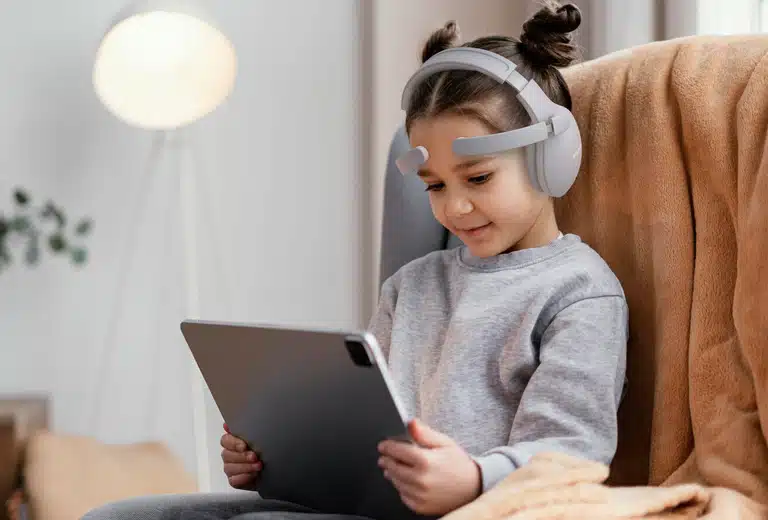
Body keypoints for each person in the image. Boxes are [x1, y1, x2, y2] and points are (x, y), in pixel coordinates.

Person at [82, 2, 627, 520]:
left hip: (473, 509)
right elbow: (362, 429)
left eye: (478, 178)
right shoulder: (411, 286)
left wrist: (473, 479)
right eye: (434, 185)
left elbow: (570, 457)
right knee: (114, 514)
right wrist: (274, 455)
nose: (454, 207)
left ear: (552, 158)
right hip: (359, 504)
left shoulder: (577, 293)